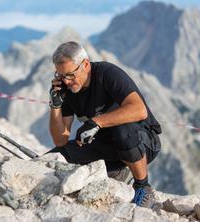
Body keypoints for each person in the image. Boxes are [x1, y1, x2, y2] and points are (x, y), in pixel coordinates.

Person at [48, 41, 162, 208]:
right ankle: (117, 170)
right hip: (104, 145)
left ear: (85, 65)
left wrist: (96, 122)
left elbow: (139, 110)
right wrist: (55, 105)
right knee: (57, 156)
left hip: (143, 141)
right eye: (60, 75)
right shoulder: (67, 90)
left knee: (123, 129)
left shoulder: (107, 74)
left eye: (70, 75)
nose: (66, 81)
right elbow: (60, 140)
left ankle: (142, 186)